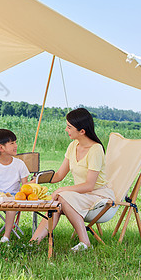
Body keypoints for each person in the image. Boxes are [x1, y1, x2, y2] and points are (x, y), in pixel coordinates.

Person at [30, 108, 115, 252]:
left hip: (98, 196)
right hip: (81, 196)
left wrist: (61, 190)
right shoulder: (73, 146)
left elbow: (89, 185)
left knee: (61, 197)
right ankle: (33, 242)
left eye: (69, 127)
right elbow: (59, 175)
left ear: (82, 131)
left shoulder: (96, 149)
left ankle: (85, 241)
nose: (66, 129)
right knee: (58, 202)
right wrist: (37, 180)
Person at [0, 129, 30, 245]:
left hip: (13, 196)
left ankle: (6, 236)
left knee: (11, 206)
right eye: (12, 143)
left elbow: (25, 186)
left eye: (15, 142)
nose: (16, 145)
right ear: (1, 148)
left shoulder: (20, 164)